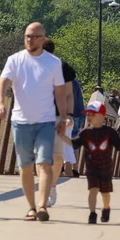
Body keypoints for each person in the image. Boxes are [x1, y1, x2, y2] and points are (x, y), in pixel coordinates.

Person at [0, 22, 68, 222]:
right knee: (25, 166)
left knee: (44, 164)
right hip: (21, 121)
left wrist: (63, 117)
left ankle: (43, 205)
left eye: (35, 36)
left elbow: (60, 93)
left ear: (43, 39)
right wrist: (0, 103)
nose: (30, 40)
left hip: (45, 121)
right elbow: (3, 83)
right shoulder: (15, 60)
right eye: (27, 36)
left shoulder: (53, 63)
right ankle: (31, 207)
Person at [68, 100, 120, 224]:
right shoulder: (85, 133)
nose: (89, 117)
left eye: (93, 114)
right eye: (88, 114)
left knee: (105, 192)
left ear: (102, 116)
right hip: (91, 167)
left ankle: (106, 208)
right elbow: (74, 143)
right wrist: (62, 136)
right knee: (93, 189)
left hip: (106, 167)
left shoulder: (109, 132)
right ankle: (92, 213)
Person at [41, 38, 77, 207]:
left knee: (56, 157)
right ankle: (43, 191)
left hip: (57, 116)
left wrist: (68, 115)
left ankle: (52, 185)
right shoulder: (30, 65)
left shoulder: (62, 67)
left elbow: (69, 94)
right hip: (38, 116)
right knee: (40, 158)